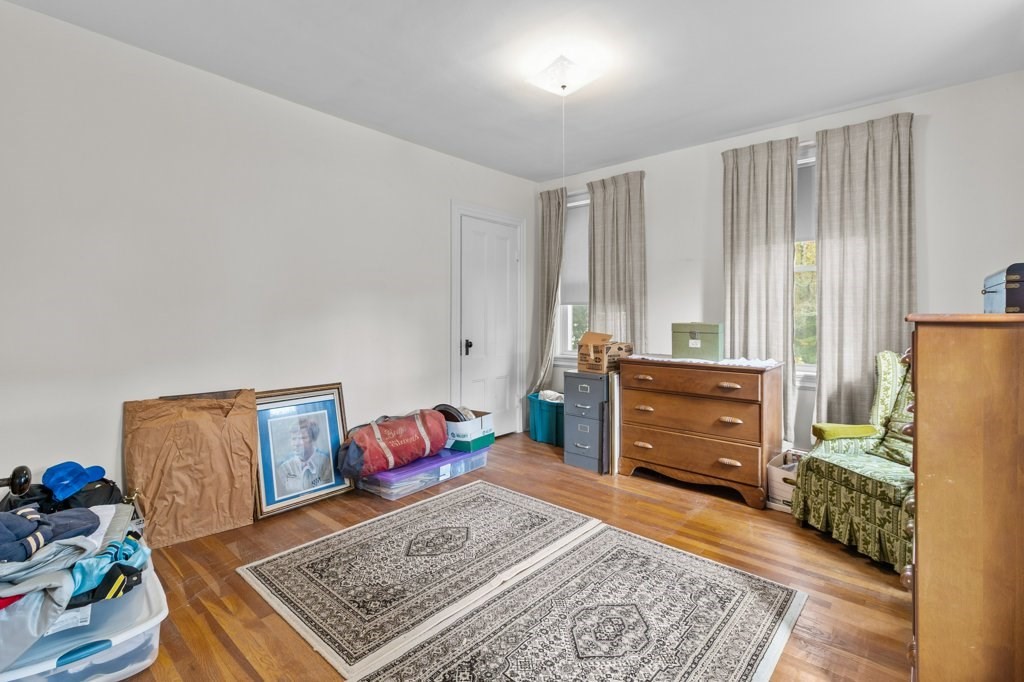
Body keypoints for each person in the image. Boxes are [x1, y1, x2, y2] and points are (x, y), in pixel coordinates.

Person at [275, 416, 333, 496]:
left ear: (313, 439)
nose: (296, 444)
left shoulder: (326, 461)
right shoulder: (284, 468)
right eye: (294, 439)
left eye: (303, 438)